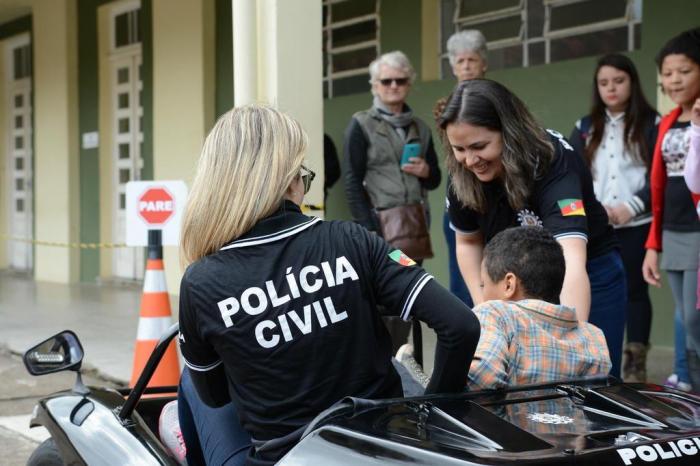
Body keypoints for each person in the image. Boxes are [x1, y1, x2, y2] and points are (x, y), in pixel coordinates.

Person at [177, 105, 480, 465]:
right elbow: (460, 326)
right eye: (303, 174)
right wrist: (432, 417)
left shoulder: (201, 282)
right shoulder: (353, 239)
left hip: (287, 458)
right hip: (385, 449)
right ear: (289, 180)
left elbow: (214, 397)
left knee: (190, 381)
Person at [439, 79, 626, 377]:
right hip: (520, 278)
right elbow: (468, 242)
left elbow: (572, 260)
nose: (471, 160)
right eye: (459, 149)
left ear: (508, 131)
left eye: (480, 146)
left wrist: (568, 345)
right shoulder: (462, 173)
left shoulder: (552, 160)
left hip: (588, 268)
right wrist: (485, 311)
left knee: (592, 378)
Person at [397, 226, 611, 391]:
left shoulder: (496, 314)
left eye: (483, 285)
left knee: (401, 371)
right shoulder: (594, 336)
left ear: (509, 284)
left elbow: (480, 377)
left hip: (505, 443)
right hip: (567, 445)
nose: (481, 294)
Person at [344, 50, 441, 358]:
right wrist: (370, 230)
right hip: (380, 223)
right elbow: (351, 181)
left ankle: (404, 359)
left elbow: (436, 178)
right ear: (374, 85)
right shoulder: (360, 125)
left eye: (400, 81)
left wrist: (426, 171)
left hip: (412, 224)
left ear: (409, 83)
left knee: (408, 291)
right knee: (382, 296)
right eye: (386, 81)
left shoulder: (421, 127)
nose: (394, 87)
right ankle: (382, 360)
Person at [569, 54, 658, 383]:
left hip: (636, 222)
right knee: (597, 287)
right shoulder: (585, 126)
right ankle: (596, 359)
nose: (611, 88)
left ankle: (635, 363)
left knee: (635, 290)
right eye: (604, 83)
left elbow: (658, 177)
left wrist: (631, 207)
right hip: (598, 224)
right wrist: (594, 208)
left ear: (632, 82)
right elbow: (572, 172)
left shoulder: (652, 123)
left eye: (618, 81)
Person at [643, 28, 700, 391]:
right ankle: (692, 387)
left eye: (684, 70)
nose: (673, 79)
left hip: (697, 230)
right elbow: (658, 187)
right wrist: (653, 244)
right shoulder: (666, 121)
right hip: (672, 230)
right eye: (667, 72)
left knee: (694, 317)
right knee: (684, 314)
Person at [439, 30, 488, 307]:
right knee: (461, 277)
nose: (467, 66)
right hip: (460, 198)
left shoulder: (496, 102)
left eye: (472, 59)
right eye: (460, 61)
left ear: (484, 64)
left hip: (493, 200)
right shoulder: (445, 108)